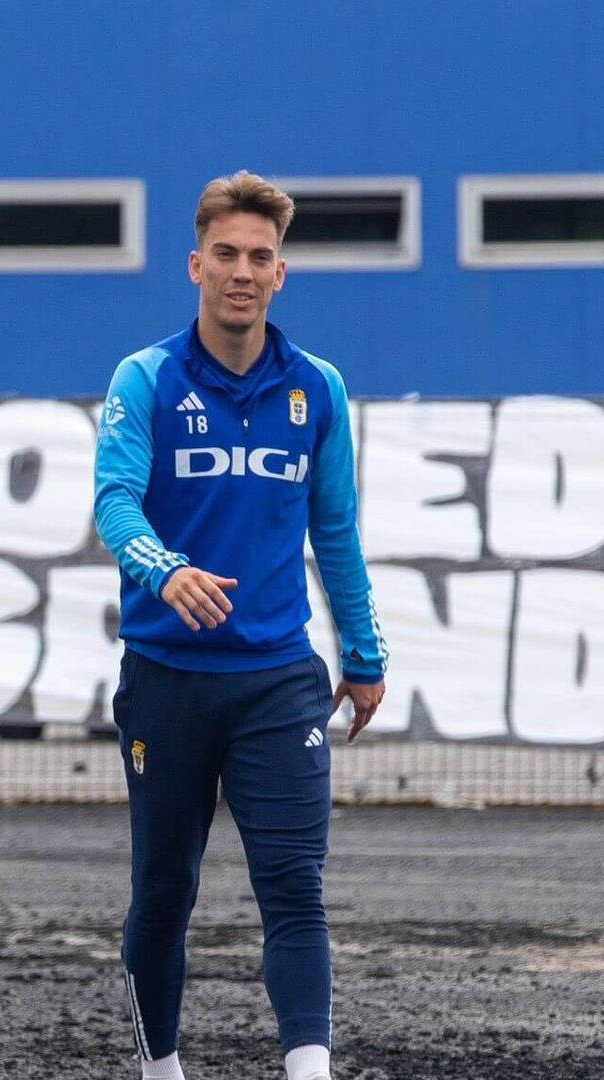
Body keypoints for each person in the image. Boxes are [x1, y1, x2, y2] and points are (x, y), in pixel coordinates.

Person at [92, 171, 389, 1080]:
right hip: (167, 679)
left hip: (277, 682)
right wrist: (166, 570)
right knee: (164, 893)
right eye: (225, 254)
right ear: (196, 265)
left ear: (280, 274)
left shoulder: (318, 389)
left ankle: (309, 1071)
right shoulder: (144, 378)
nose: (242, 272)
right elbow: (114, 502)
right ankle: (161, 1070)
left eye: (260, 257)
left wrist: (363, 652)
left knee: (295, 887)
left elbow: (335, 529)